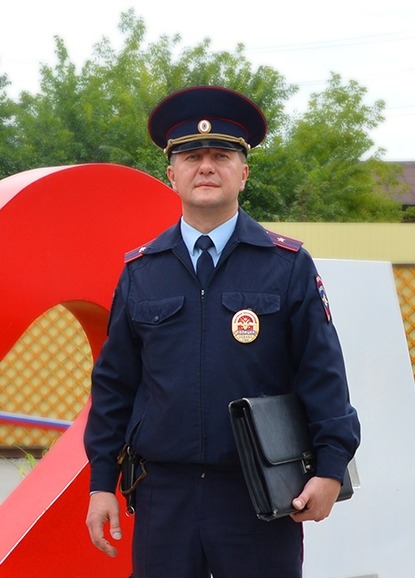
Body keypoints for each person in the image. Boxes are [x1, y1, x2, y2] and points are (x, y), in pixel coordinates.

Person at [84, 85, 360, 578]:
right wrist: (101, 481)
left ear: (244, 173)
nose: (206, 167)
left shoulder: (286, 265)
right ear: (172, 174)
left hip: (259, 495)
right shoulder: (142, 272)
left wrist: (331, 467)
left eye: (221, 156)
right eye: (192, 157)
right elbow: (114, 385)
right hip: (164, 495)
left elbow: (322, 374)